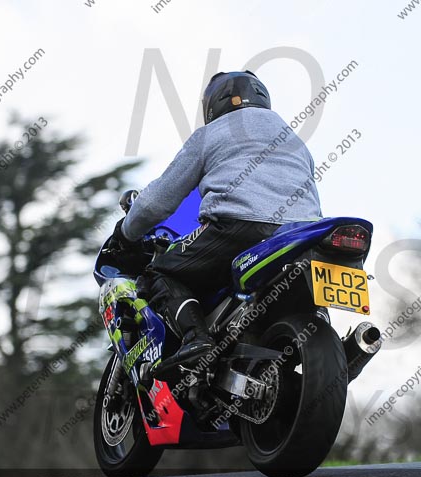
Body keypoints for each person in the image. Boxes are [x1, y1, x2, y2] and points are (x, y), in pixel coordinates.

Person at [110, 70, 322, 376]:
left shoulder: (212, 133)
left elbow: (157, 201)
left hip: (239, 227)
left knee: (159, 273)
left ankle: (197, 338)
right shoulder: (294, 138)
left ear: (214, 104)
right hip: (303, 234)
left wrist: (126, 232)